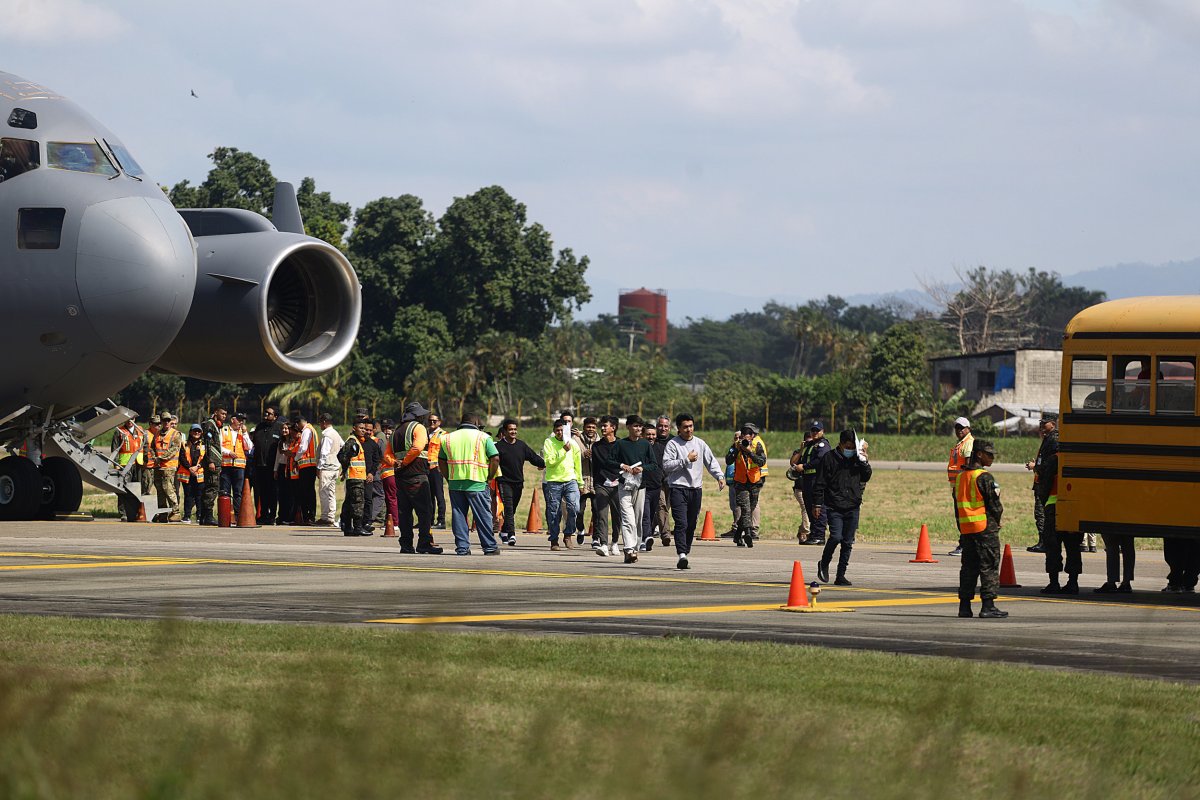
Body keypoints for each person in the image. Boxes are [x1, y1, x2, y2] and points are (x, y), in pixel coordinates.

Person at [661, 413, 725, 570]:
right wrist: (685, 460)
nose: (688, 430)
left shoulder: (700, 443)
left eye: (691, 426)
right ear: (679, 429)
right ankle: (682, 554)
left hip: (695, 489)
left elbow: (711, 462)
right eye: (685, 427)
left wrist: (720, 476)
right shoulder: (673, 444)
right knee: (681, 522)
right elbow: (666, 466)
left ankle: (685, 551)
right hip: (678, 488)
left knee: (691, 523)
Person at [955, 439, 1008, 618]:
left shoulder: (961, 476)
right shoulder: (983, 477)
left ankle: (964, 606)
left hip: (967, 529)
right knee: (989, 566)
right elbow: (995, 505)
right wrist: (997, 520)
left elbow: (957, 506)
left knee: (968, 567)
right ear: (979, 454)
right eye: (989, 454)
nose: (992, 457)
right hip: (985, 529)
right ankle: (988, 606)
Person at [814, 430, 872, 586]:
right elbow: (820, 482)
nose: (850, 449)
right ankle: (824, 563)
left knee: (848, 542)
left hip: (853, 505)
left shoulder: (857, 458)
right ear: (840, 444)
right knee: (836, 537)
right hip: (834, 505)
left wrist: (864, 461)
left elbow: (866, 476)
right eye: (848, 446)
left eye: (853, 447)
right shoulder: (829, 458)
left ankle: (841, 575)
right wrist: (818, 504)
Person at [438, 412, 501, 556]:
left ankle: (462, 548)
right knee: (483, 515)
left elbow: (441, 460)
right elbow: (495, 458)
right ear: (476, 423)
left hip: (455, 483)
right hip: (477, 482)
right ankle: (489, 547)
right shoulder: (483, 437)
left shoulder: (447, 438)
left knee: (459, 515)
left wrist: (449, 477)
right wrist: (490, 477)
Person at [1037, 419, 1084, 594]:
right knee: (1073, 547)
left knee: (1053, 546)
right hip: (1073, 509)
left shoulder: (1052, 461)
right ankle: (1073, 583)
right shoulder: (1076, 460)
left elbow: (1044, 486)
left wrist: (1044, 503)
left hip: (1053, 509)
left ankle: (1054, 582)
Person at [392, 403, 443, 554]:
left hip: (400, 477)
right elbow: (418, 447)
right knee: (425, 511)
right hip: (417, 475)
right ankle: (424, 544)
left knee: (404, 513)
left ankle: (406, 545)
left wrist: (397, 463)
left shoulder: (397, 431)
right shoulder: (418, 428)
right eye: (422, 415)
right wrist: (406, 461)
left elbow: (387, 454)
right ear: (416, 416)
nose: (424, 417)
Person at [494, 418, 546, 546]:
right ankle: (512, 534)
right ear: (504, 431)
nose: (513, 432)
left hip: (518, 482)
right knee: (509, 508)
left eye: (515, 429)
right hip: (504, 482)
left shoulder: (521, 446)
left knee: (513, 509)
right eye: (510, 429)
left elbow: (533, 458)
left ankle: (504, 531)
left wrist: (545, 464)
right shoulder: (498, 447)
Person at [615, 414, 658, 563]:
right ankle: (628, 549)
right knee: (628, 519)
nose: (638, 429)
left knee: (638, 519)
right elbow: (609, 461)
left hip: (640, 486)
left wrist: (642, 468)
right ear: (628, 427)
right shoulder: (621, 444)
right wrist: (622, 466)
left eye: (640, 426)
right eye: (635, 426)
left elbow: (654, 464)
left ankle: (636, 547)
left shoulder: (645, 445)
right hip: (624, 486)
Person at [541, 417, 583, 552]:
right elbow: (549, 462)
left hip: (571, 480)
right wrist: (563, 450)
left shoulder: (573, 444)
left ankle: (568, 533)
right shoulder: (549, 442)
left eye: (562, 430)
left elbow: (578, 464)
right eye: (557, 430)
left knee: (574, 508)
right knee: (553, 511)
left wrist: (580, 482)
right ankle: (554, 539)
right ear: (554, 431)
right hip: (554, 481)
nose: (560, 433)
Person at [726, 423, 767, 548]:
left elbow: (761, 461)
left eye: (747, 436)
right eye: (742, 436)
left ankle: (738, 534)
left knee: (750, 509)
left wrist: (749, 452)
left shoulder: (756, 446)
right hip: (740, 483)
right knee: (745, 508)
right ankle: (748, 534)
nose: (744, 438)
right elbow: (728, 460)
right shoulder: (736, 446)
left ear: (752, 436)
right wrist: (737, 449)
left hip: (754, 482)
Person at [590, 415, 623, 556]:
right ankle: (603, 544)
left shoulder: (622, 444)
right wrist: (604, 479)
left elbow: (623, 463)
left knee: (618, 515)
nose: (602, 428)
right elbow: (601, 464)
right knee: (601, 513)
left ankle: (615, 542)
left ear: (613, 428)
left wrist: (618, 479)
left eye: (606, 425)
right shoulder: (596, 446)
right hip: (602, 484)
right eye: (602, 426)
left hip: (618, 484)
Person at [1023, 416, 1056, 554]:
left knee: (1042, 514)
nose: (1042, 426)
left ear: (1053, 424)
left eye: (1044, 423)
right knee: (1040, 514)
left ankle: (1044, 542)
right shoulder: (1047, 439)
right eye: (1041, 423)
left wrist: (1035, 466)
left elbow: (1048, 464)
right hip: (1040, 482)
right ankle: (1043, 541)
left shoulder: (1053, 439)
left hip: (1045, 484)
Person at [338, 419, 372, 536]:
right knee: (358, 503)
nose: (363, 430)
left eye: (364, 428)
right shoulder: (352, 442)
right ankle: (357, 527)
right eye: (360, 428)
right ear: (354, 428)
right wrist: (345, 468)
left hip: (356, 476)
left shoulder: (356, 441)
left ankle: (348, 528)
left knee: (349, 503)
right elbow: (342, 456)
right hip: (355, 477)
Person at [946, 416, 974, 557]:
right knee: (961, 517)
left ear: (968, 428)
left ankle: (965, 545)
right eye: (956, 428)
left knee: (962, 517)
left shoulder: (968, 443)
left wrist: (963, 486)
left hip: (962, 486)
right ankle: (966, 544)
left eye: (961, 427)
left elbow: (968, 466)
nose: (959, 430)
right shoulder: (960, 443)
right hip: (957, 486)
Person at [800, 421, 832, 546]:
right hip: (807, 479)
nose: (814, 433)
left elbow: (819, 460)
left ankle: (819, 535)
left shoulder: (823, 445)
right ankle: (814, 534)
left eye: (817, 430)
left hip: (817, 479)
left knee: (818, 507)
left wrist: (804, 466)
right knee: (809, 507)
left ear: (822, 431)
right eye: (813, 430)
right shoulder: (810, 445)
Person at [250, 407, 282, 525]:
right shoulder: (259, 427)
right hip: (260, 465)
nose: (266, 415)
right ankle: (263, 514)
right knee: (262, 492)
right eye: (266, 413)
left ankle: (272, 515)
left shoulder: (279, 428)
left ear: (275, 416)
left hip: (272, 467)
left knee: (272, 492)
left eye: (269, 414)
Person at [153, 413, 183, 523]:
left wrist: (161, 458)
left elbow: (174, 449)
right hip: (158, 466)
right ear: (161, 421)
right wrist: (154, 457)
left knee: (168, 489)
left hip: (169, 466)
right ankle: (162, 513)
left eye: (168, 420)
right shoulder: (157, 434)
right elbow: (152, 447)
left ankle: (175, 512)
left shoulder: (175, 434)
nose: (166, 422)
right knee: (160, 490)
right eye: (164, 420)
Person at [220, 413, 251, 517]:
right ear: (233, 420)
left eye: (243, 420)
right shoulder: (224, 430)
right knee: (225, 492)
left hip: (239, 467)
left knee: (238, 492)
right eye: (239, 420)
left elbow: (250, 447)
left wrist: (245, 433)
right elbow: (218, 446)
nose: (241, 422)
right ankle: (225, 516)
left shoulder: (243, 433)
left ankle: (238, 516)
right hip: (226, 466)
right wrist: (228, 452)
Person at [199, 408, 226, 526]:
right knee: (212, 488)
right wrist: (210, 461)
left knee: (210, 487)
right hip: (213, 461)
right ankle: (208, 516)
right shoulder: (210, 425)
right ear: (216, 413)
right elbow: (208, 443)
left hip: (216, 461)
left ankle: (204, 516)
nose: (224, 416)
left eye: (226, 414)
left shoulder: (216, 425)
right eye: (222, 413)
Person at [291, 411, 318, 525]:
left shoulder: (306, 431)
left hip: (307, 466)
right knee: (310, 492)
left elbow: (303, 447)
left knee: (306, 492)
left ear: (298, 424)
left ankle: (308, 517)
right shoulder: (312, 429)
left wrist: (296, 459)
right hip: (311, 465)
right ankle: (309, 516)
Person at [316, 413, 344, 526]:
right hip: (335, 467)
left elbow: (324, 453)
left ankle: (325, 517)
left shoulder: (327, 435)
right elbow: (343, 445)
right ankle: (331, 516)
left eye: (320, 423)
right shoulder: (335, 433)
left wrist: (319, 467)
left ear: (324, 422)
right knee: (331, 493)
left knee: (324, 493)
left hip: (327, 468)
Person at [575, 416, 599, 544]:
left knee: (597, 510)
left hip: (596, 481)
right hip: (581, 480)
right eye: (588, 427)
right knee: (579, 510)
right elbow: (571, 458)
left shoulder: (600, 441)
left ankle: (596, 537)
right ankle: (580, 529)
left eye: (593, 427)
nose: (591, 429)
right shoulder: (576, 439)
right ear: (584, 428)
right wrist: (583, 455)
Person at [424, 412, 448, 529]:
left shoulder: (443, 434)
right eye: (430, 421)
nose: (432, 423)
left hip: (437, 468)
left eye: (434, 421)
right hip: (426, 468)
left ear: (439, 422)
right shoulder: (425, 433)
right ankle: (429, 520)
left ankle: (441, 521)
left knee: (439, 494)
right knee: (428, 496)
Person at [651, 416, 672, 546]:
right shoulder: (652, 440)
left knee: (664, 508)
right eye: (660, 426)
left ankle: (651, 527)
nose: (663, 428)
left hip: (671, 480)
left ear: (669, 428)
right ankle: (665, 534)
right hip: (656, 481)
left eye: (665, 426)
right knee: (661, 505)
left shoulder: (674, 441)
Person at [178, 424, 205, 523]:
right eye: (194, 431)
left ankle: (199, 516)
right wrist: (189, 468)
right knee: (188, 495)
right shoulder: (184, 444)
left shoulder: (204, 444)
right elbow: (182, 457)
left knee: (199, 496)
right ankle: (187, 516)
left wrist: (197, 467)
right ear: (190, 432)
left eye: (198, 431)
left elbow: (205, 458)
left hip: (199, 474)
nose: (197, 433)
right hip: (187, 473)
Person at [788, 431, 813, 543]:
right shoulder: (799, 452)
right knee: (805, 509)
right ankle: (806, 532)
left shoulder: (816, 452)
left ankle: (803, 530)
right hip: (800, 488)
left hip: (813, 487)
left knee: (812, 510)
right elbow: (792, 463)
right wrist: (802, 450)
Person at [274, 421, 295, 525]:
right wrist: (275, 470)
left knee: (290, 493)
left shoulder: (293, 441)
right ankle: (281, 515)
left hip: (290, 467)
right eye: (283, 429)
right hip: (282, 468)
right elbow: (278, 457)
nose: (284, 430)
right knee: (281, 493)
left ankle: (289, 516)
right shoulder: (280, 442)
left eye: (286, 428)